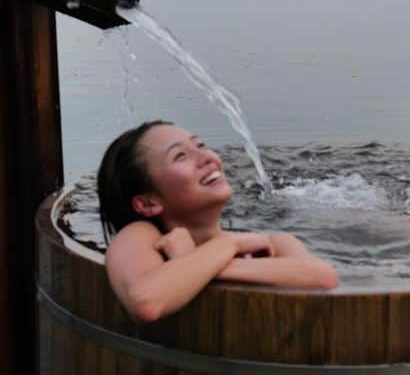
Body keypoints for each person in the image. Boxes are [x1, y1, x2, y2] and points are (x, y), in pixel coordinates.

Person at [97, 121, 338, 323]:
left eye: (201, 145)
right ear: (148, 203)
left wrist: (194, 259)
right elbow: (146, 301)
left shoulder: (277, 242)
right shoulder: (143, 236)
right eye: (180, 156)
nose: (207, 157)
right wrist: (228, 245)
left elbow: (323, 277)